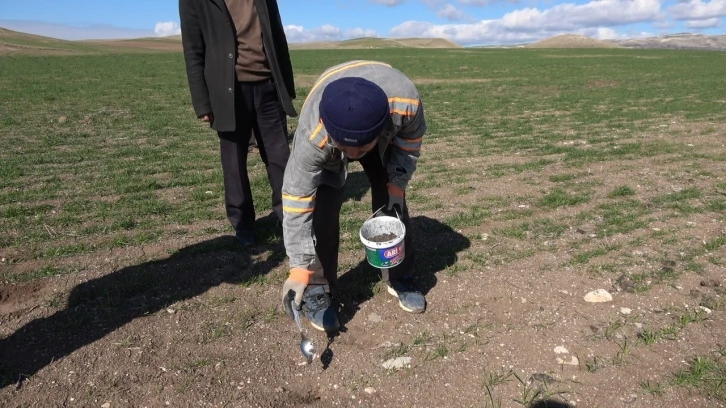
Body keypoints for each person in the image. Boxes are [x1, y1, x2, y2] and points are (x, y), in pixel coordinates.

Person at [280, 61, 427, 332]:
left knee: (392, 196)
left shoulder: (406, 105)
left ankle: (400, 275)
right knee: (322, 207)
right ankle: (316, 285)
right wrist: (299, 267)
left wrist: (397, 185)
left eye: (358, 150)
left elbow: (408, 146)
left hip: (379, 118)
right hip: (330, 130)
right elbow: (296, 200)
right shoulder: (314, 135)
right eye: (343, 148)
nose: (350, 156)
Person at [179, 0, 296, 246]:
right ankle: (243, 224)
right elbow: (193, 50)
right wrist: (202, 102)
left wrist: (287, 86)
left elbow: (277, 33)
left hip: (269, 87)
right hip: (229, 92)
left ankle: (289, 218)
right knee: (233, 162)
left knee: (280, 158)